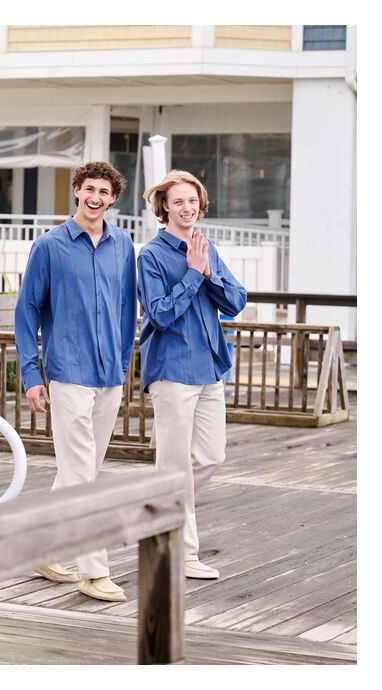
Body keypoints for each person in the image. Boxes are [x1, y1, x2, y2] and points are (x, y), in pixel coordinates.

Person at [14, 161, 137, 602]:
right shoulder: (49, 246)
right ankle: (94, 571)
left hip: (109, 373)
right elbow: (27, 312)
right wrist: (32, 375)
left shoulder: (123, 244)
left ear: (112, 198)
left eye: (104, 191)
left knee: (80, 469)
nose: (95, 197)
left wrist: (124, 361)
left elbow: (127, 306)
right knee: (85, 474)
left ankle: (42, 548)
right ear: (76, 191)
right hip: (67, 372)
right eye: (89, 189)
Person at [137, 170, 247, 580]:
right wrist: (190, 274)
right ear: (164, 206)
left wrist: (206, 271)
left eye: (193, 201)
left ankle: (157, 510)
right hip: (171, 369)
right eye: (179, 201)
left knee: (212, 456)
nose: (188, 208)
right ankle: (181, 555)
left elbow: (236, 301)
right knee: (174, 465)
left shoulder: (206, 248)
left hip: (209, 366)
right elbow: (160, 314)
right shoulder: (149, 256)